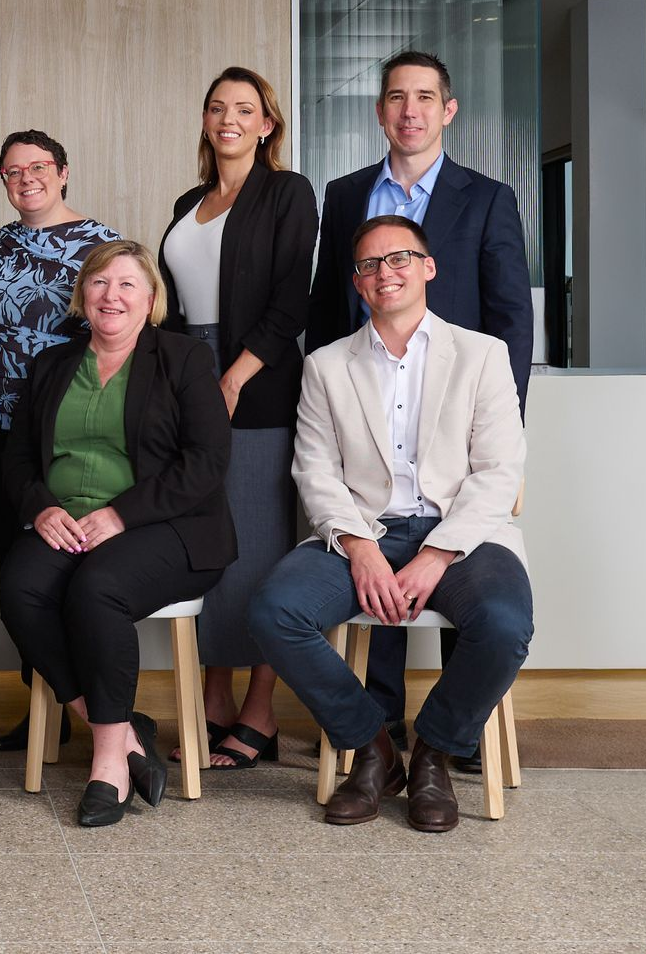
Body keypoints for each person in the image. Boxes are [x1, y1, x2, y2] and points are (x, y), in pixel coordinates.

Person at [251, 215, 530, 832]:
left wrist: (437, 553)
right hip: (361, 530)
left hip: (461, 535)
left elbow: (499, 471)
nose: (386, 273)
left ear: (428, 268)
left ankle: (433, 750)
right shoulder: (326, 365)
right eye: (370, 265)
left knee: (506, 624)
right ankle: (375, 750)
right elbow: (315, 472)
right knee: (274, 612)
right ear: (358, 283)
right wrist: (358, 547)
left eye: (400, 259)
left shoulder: (483, 355)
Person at [307, 50, 532, 772]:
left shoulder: (486, 196)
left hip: (459, 424)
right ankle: (379, 727)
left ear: (448, 110)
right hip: (367, 411)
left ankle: (452, 735)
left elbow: (510, 321)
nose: (410, 110)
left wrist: (504, 436)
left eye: (425, 98)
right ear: (380, 112)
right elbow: (323, 312)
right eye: (397, 98)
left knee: (468, 581)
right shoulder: (344, 196)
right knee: (376, 561)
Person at [0, 240, 234, 828]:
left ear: (151, 299)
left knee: (97, 588)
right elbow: (18, 458)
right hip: (68, 523)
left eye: (128, 284)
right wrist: (42, 507)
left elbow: (206, 462)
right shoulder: (52, 365)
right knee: (18, 590)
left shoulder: (182, 359)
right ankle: (125, 729)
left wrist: (121, 515)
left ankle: (108, 763)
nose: (112, 296)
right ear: (82, 296)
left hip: (167, 527)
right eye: (100, 283)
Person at [155, 66, 317, 768]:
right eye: (216, 106)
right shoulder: (190, 200)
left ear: (267, 124)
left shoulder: (287, 192)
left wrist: (235, 374)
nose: (228, 118)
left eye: (244, 109)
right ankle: (212, 698)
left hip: (258, 380)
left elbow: (291, 300)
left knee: (255, 543)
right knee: (201, 540)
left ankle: (260, 711)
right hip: (187, 374)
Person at [0, 130, 121, 753]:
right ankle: (44, 707)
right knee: (17, 575)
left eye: (39, 166)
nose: (27, 178)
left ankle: (97, 709)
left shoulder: (101, 245)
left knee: (76, 573)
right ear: (1, 178)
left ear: (64, 172)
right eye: (13, 169)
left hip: (73, 437)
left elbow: (117, 341)